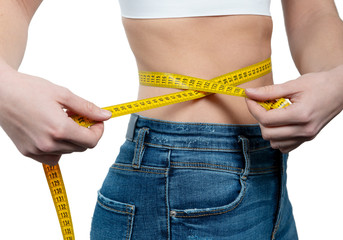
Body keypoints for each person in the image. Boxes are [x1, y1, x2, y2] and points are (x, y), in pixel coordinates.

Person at [0, 0, 342, 239]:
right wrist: (5, 89)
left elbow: (314, 12)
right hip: (178, 174)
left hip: (271, 169)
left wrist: (337, 80)